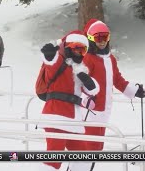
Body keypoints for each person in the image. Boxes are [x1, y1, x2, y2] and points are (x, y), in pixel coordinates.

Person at [68, 19, 145, 171]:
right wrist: (85, 98)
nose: (102, 41)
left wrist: (134, 91)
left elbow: (117, 79)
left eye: (105, 37)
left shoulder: (110, 59)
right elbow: (77, 81)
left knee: (97, 148)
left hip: (104, 111)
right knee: (86, 149)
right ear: (91, 39)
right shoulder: (88, 58)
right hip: (89, 111)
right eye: (98, 38)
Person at [38, 31, 100, 171]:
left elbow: (92, 90)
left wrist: (88, 82)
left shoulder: (79, 70)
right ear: (68, 48)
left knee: (82, 157)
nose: (79, 53)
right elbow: (51, 63)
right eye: (76, 48)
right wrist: (49, 54)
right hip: (56, 117)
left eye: (83, 50)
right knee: (54, 158)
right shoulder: (59, 63)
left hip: (73, 120)